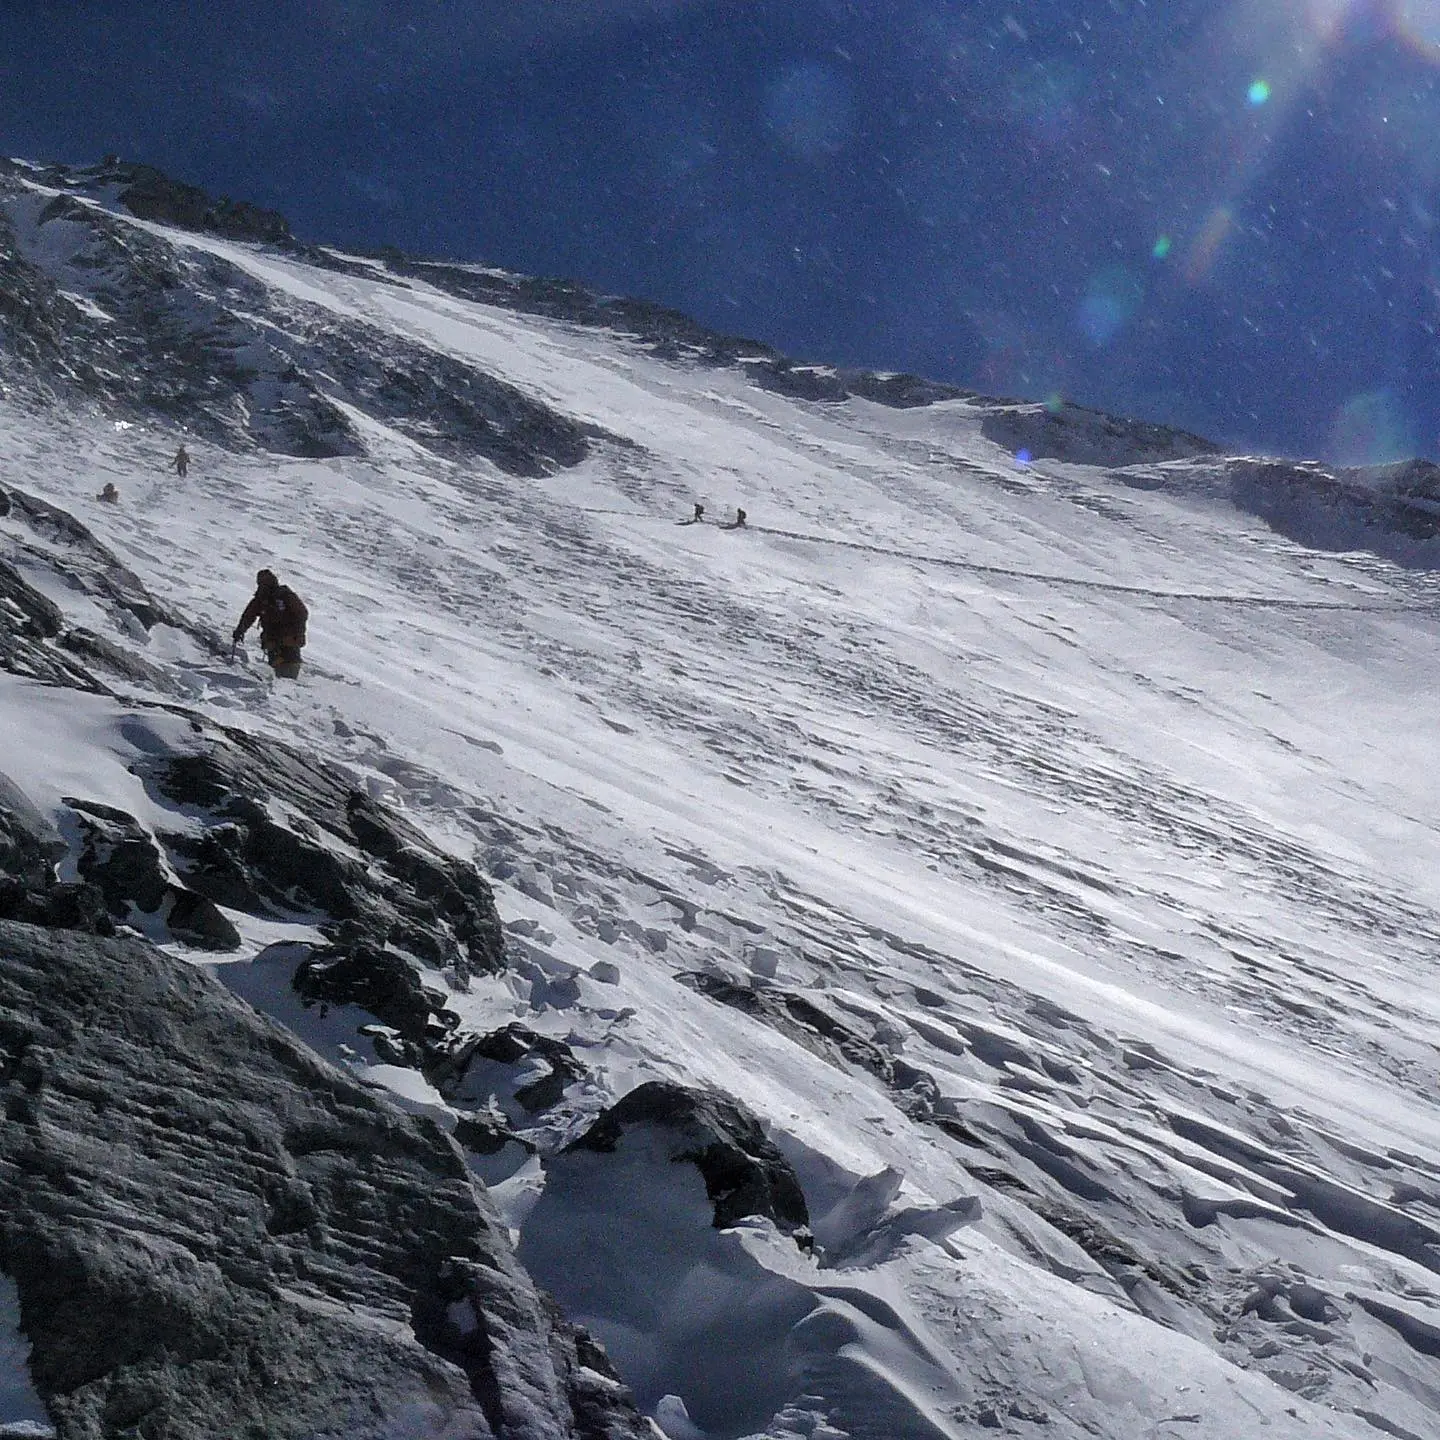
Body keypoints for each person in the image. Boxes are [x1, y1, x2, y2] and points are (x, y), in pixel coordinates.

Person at [233, 568, 308, 678]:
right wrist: (298, 634)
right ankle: (287, 690)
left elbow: (249, 616)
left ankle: (285, 689)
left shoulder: (263, 598)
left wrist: (240, 630)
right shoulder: (283, 595)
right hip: (287, 641)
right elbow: (302, 613)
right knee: (288, 670)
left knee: (282, 669)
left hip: (276, 641)